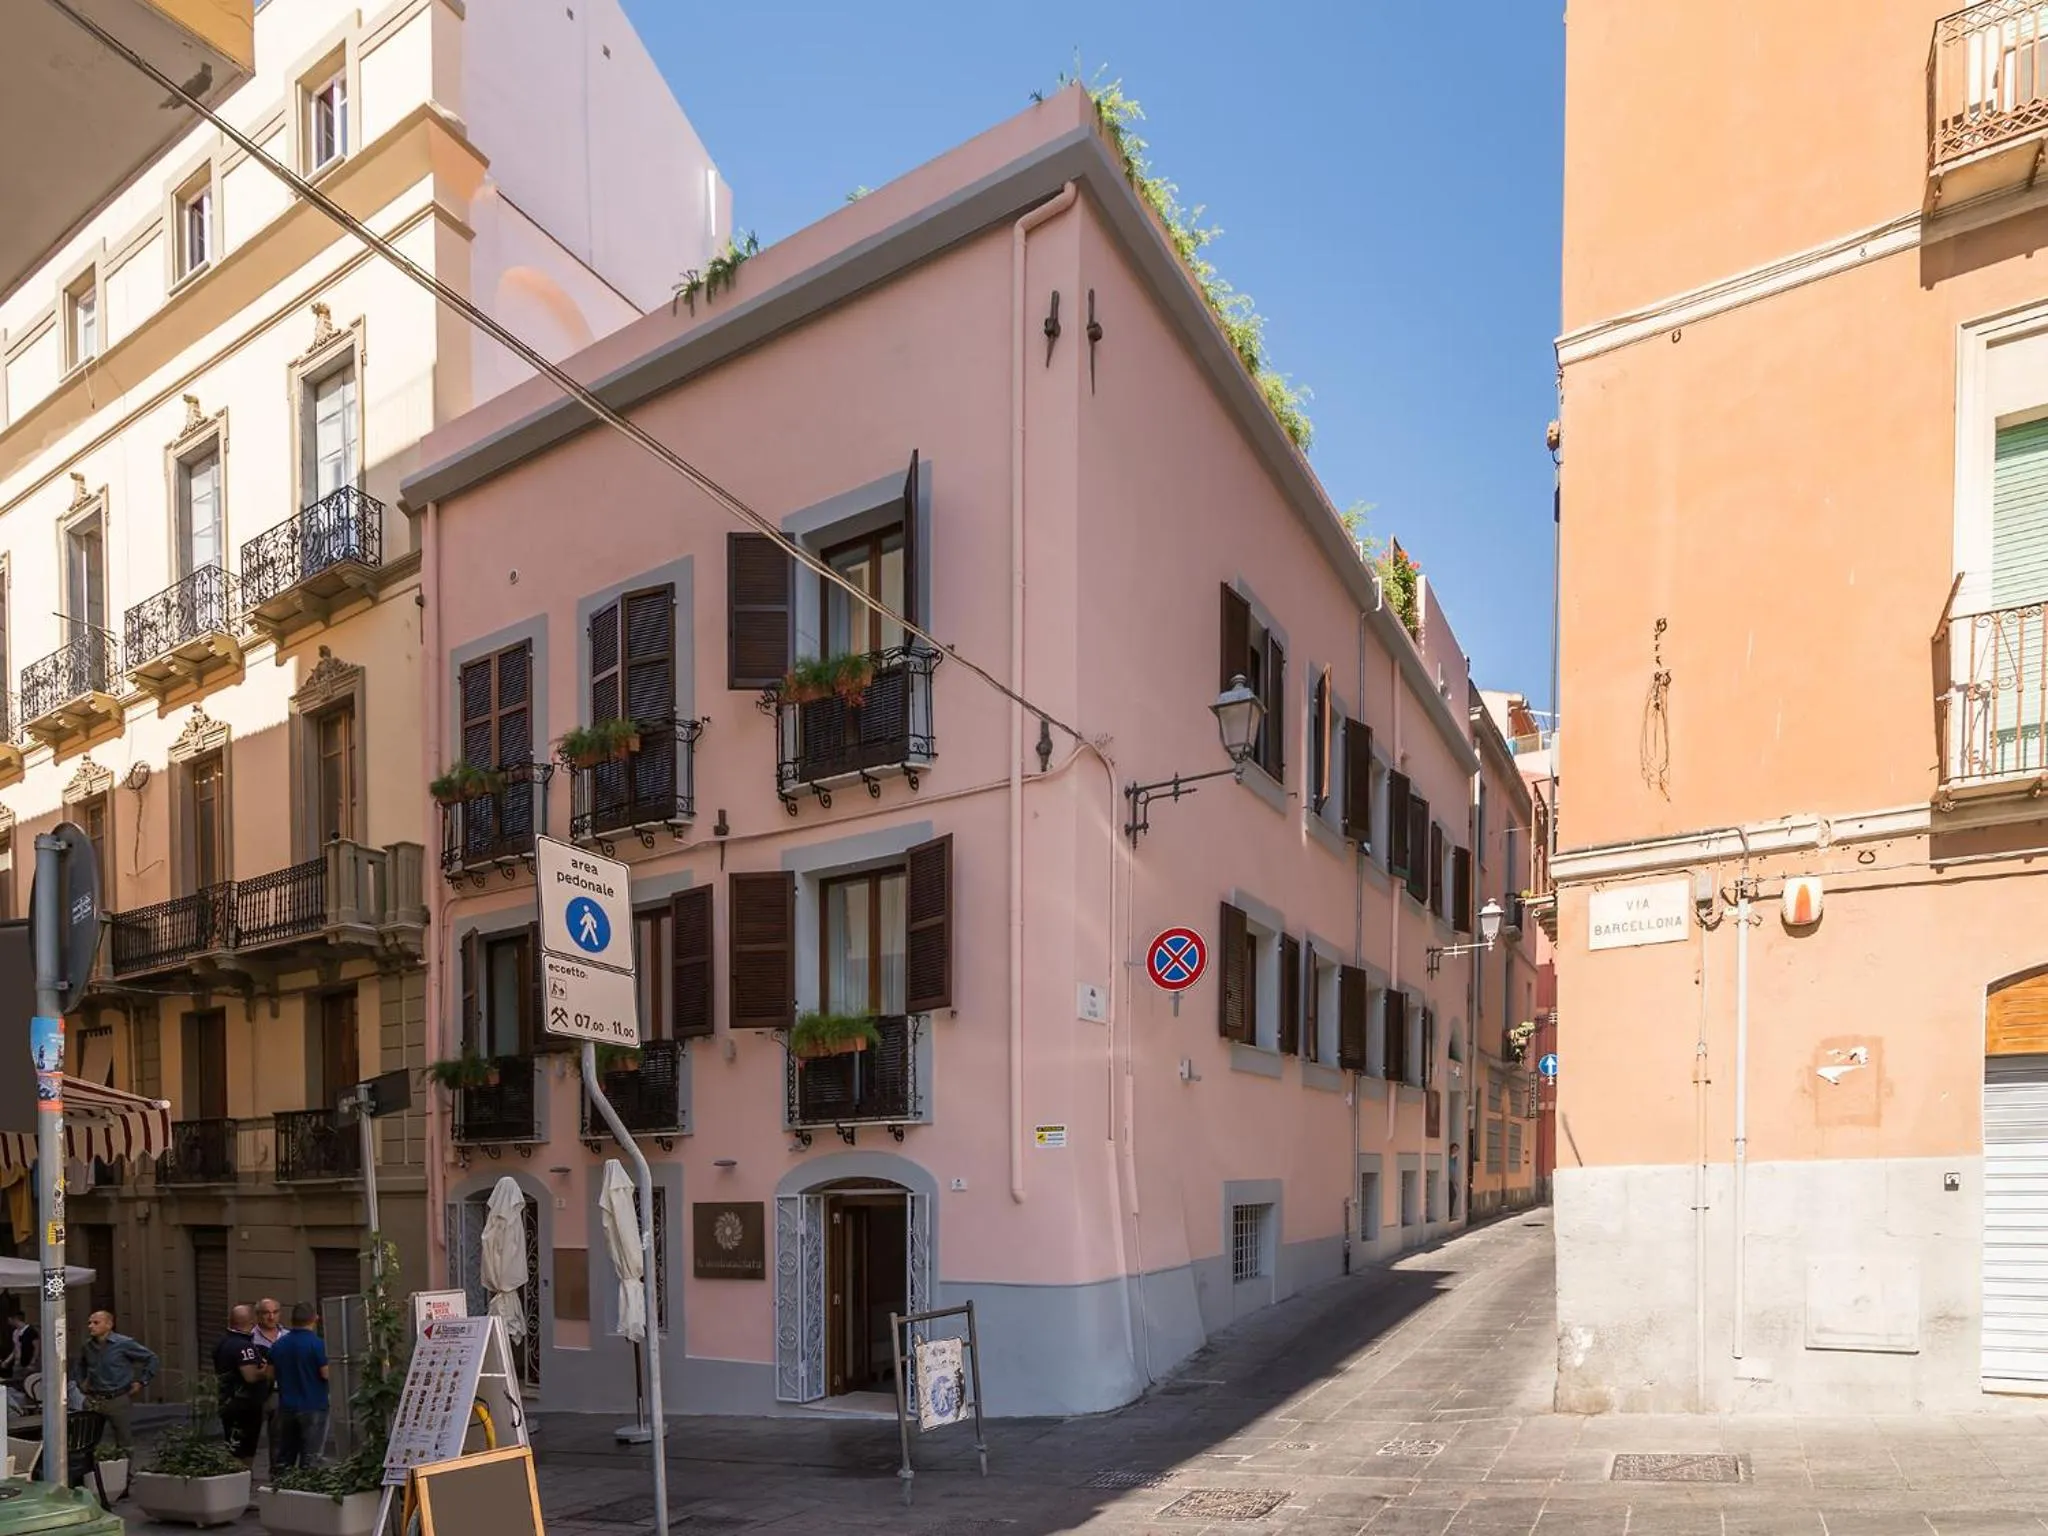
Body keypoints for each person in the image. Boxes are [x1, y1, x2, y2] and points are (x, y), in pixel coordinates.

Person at [72, 1310, 157, 1453]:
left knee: (124, 1441)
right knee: (86, 1440)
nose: (91, 1326)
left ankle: (125, 1474)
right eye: (89, 1323)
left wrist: (142, 1381)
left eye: (96, 1323)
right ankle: (89, 1472)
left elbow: (151, 1358)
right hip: (94, 1398)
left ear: (109, 1325)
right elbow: (80, 1364)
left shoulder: (124, 1343)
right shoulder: (88, 1346)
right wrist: (81, 1382)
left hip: (117, 1398)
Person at [267, 1304, 330, 1472]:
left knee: (285, 1456)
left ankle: (279, 1489)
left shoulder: (279, 1345)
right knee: (311, 1457)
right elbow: (325, 1373)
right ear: (315, 1319)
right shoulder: (318, 1345)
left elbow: (269, 1375)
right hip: (313, 1405)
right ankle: (306, 1489)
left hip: (286, 1406)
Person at [212, 1304, 272, 1467]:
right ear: (252, 1322)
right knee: (245, 1448)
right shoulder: (244, 1346)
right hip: (246, 1405)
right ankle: (243, 1479)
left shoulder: (223, 1342)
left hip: (227, 1400)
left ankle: (235, 1478)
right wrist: (267, 1370)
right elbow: (250, 1376)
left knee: (232, 1445)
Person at [253, 1298, 284, 1473]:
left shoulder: (287, 1336)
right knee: (250, 1438)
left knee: (278, 1438)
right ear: (258, 1315)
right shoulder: (251, 1338)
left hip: (279, 1393)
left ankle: (276, 1476)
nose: (271, 1317)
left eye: (275, 1312)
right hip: (257, 1394)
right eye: (266, 1313)